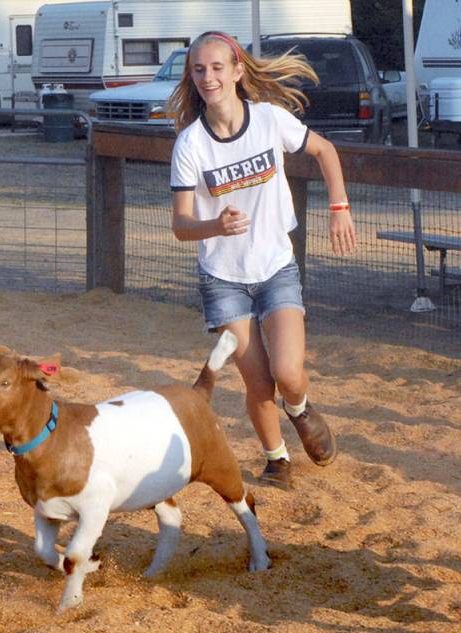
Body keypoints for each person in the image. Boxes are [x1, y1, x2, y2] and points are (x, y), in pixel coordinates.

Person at [168, 31, 356, 490]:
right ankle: (277, 462)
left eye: (216, 68)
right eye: (199, 70)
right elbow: (180, 225)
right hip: (223, 279)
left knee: (289, 373)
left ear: (236, 71)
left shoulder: (271, 119)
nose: (208, 77)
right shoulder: (190, 144)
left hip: (275, 268)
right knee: (257, 383)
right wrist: (216, 226)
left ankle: (301, 409)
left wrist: (339, 207)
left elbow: (324, 151)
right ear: (192, 78)